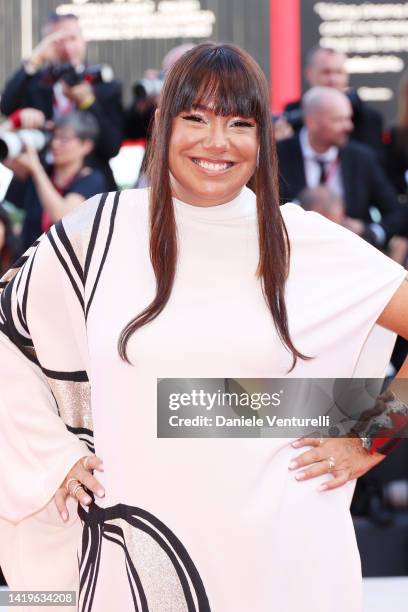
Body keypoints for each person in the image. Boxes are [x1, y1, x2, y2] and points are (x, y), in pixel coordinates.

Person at [0, 42, 408, 612]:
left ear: (262, 139)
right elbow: (8, 341)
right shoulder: (98, 234)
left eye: (239, 124)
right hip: (137, 561)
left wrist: (370, 435)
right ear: (163, 125)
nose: (216, 142)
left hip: (281, 559)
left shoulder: (302, 241)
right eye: (195, 118)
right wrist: (51, 456)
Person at [0, 12, 123, 190]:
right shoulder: (36, 82)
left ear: (83, 40)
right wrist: (35, 59)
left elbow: (111, 147)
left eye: (72, 38)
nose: (67, 48)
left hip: (92, 184)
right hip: (36, 182)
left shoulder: (105, 86)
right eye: (58, 41)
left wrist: (88, 103)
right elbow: (6, 105)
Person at [277, 86, 408, 249]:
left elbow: (396, 213)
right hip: (292, 252)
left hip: (350, 255)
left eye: (349, 118)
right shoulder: (276, 155)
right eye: (338, 120)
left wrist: (369, 231)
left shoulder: (362, 159)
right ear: (312, 122)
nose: (349, 126)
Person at [4, 111, 107, 254]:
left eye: (64, 139)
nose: (55, 144)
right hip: (27, 263)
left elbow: (63, 217)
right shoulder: (43, 170)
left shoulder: (92, 180)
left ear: (86, 146)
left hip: (64, 269)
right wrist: (16, 120)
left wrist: (36, 169)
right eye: (54, 137)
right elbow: (4, 153)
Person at [280, 46, 385, 160]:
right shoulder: (293, 114)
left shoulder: (367, 117)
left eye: (338, 72)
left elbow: (373, 164)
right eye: (326, 72)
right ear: (309, 73)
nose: (333, 79)